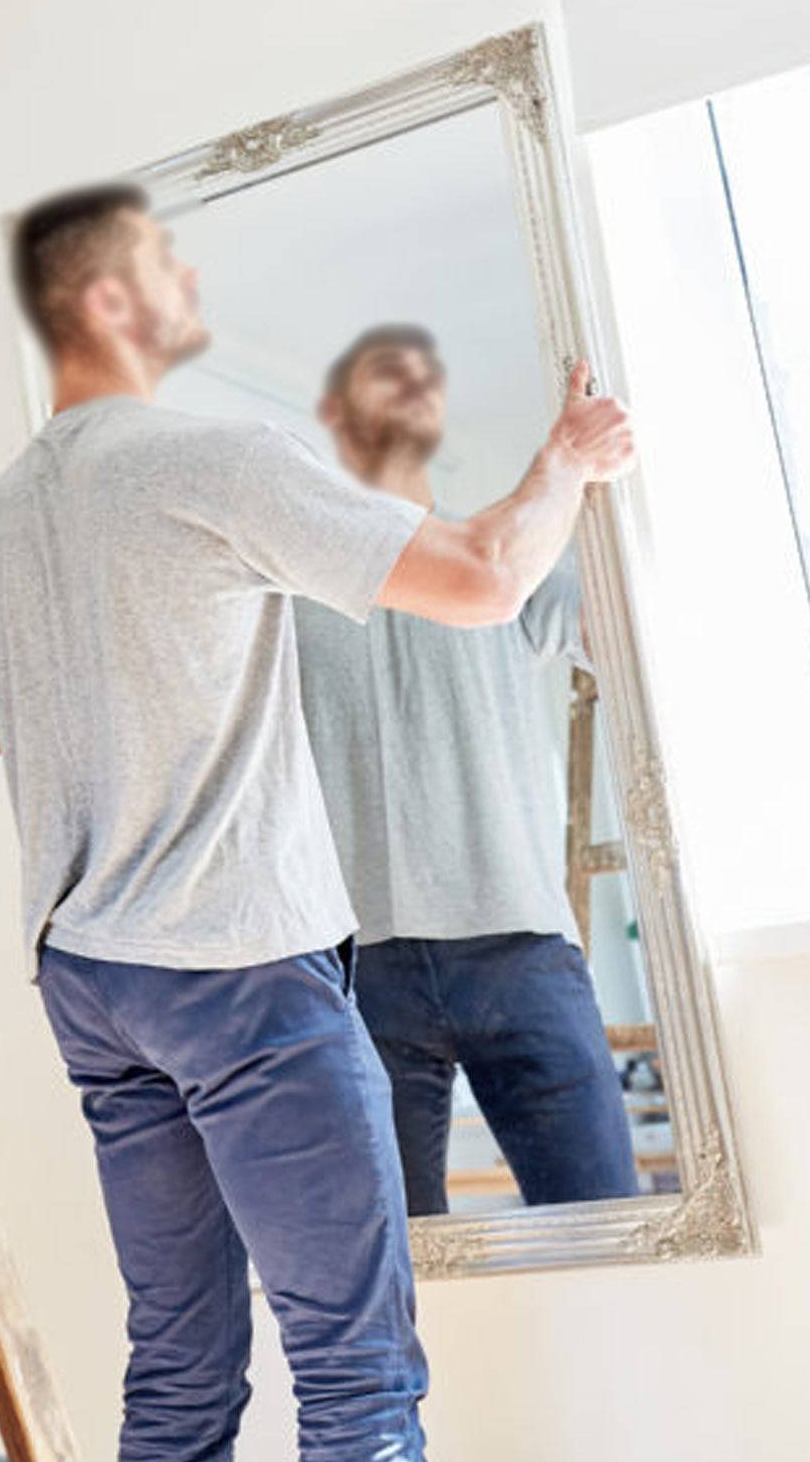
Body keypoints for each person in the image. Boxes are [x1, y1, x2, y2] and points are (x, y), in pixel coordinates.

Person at [0, 185, 633, 1462]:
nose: (190, 282)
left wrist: (87, 674)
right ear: (107, 300)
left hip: (91, 981)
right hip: (236, 967)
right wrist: (567, 463)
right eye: (166, 263)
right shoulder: (217, 461)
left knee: (179, 1368)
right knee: (357, 1377)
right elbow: (484, 577)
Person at [294, 324, 641, 1217]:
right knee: (394, 1257)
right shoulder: (285, 599)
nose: (404, 392)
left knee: (605, 1218)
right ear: (334, 413)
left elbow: (633, 638)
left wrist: (597, 481)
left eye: (420, 380)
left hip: (522, 950)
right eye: (378, 380)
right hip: (363, 970)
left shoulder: (513, 561)